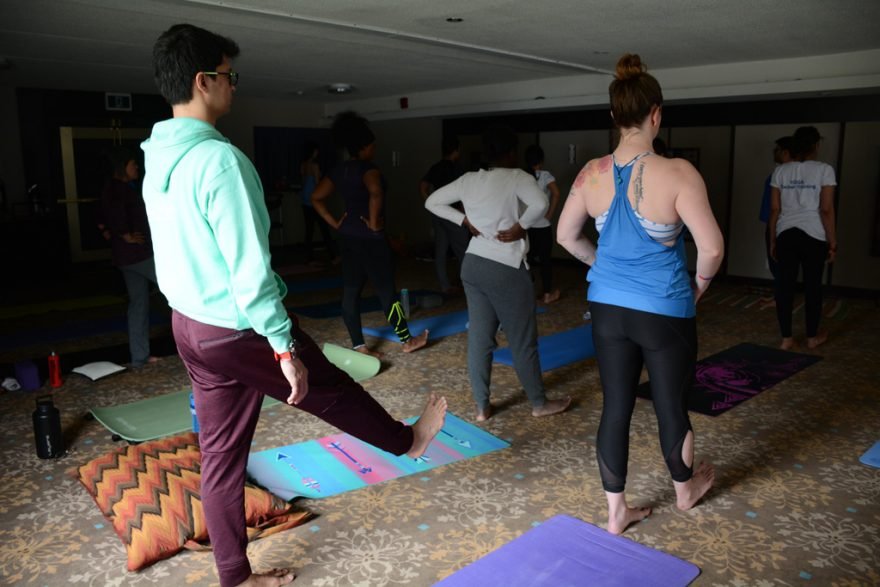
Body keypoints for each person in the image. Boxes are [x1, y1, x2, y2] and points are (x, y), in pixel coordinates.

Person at [141, 24, 446, 587]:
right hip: (239, 326)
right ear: (203, 81)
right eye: (229, 74)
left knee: (221, 457)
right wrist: (283, 346)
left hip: (190, 324)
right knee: (330, 386)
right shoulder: (219, 160)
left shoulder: (158, 156)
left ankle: (235, 576)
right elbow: (249, 268)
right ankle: (409, 440)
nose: (234, 84)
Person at [556, 53, 723, 535]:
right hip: (664, 308)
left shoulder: (591, 173)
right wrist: (698, 287)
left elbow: (566, 236)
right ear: (656, 114)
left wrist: (602, 266)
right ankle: (684, 492)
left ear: (614, 116)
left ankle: (617, 512)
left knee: (616, 405)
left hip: (607, 308)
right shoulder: (679, 172)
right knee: (671, 404)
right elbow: (712, 248)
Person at [426, 125, 571, 422]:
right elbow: (542, 203)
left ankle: (482, 407)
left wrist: (463, 220)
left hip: (473, 264)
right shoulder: (518, 176)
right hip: (506, 268)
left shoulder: (469, 179)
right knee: (522, 341)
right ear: (511, 152)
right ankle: (539, 403)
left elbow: (432, 201)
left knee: (480, 339)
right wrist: (522, 227)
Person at [311, 111, 428, 357]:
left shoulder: (339, 170)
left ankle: (359, 346)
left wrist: (336, 224)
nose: (374, 149)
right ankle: (407, 340)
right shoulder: (369, 169)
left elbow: (316, 197)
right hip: (371, 240)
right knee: (386, 291)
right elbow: (375, 192)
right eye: (372, 146)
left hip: (348, 237)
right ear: (363, 147)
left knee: (351, 291)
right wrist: (375, 224)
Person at [769, 126, 836, 350]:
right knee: (813, 286)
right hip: (814, 234)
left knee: (784, 287)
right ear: (816, 145)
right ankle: (812, 337)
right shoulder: (825, 170)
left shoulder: (780, 172)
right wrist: (832, 241)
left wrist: (773, 240)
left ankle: (786, 339)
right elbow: (826, 209)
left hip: (786, 234)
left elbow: (775, 210)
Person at [100, 146, 159, 367]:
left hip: (128, 257)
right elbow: (114, 214)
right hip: (137, 255)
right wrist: (125, 234)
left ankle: (140, 357)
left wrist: (115, 233)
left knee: (139, 304)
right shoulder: (119, 189)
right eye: (133, 164)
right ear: (123, 167)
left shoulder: (117, 188)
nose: (137, 168)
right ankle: (195, 346)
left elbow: (104, 215)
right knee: (177, 290)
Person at [419, 136, 469, 295]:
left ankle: (445, 286)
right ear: (456, 150)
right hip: (453, 214)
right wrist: (464, 214)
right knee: (464, 250)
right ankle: (467, 284)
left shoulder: (435, 167)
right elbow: (463, 194)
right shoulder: (458, 169)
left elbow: (422, 186)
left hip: (438, 213)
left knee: (440, 250)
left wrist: (431, 205)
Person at [523, 144, 561, 304]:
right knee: (545, 261)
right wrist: (550, 214)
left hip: (526, 225)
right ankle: (546, 294)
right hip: (543, 225)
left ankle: (525, 292)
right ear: (541, 160)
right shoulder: (545, 175)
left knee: (525, 258)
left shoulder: (522, 176)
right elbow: (556, 193)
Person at [759, 136, 793, 281]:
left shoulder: (781, 175)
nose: (774, 152)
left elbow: (774, 207)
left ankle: (781, 291)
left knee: (779, 264)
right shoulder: (778, 173)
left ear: (786, 152)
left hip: (780, 224)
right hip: (776, 223)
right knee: (778, 264)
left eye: (777, 150)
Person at [298, 142, 339, 265]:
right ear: (313, 152)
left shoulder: (303, 164)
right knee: (324, 228)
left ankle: (309, 258)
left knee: (309, 229)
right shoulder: (314, 165)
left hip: (305, 199)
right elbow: (318, 183)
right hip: (314, 199)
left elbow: (303, 182)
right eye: (316, 151)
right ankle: (333, 256)